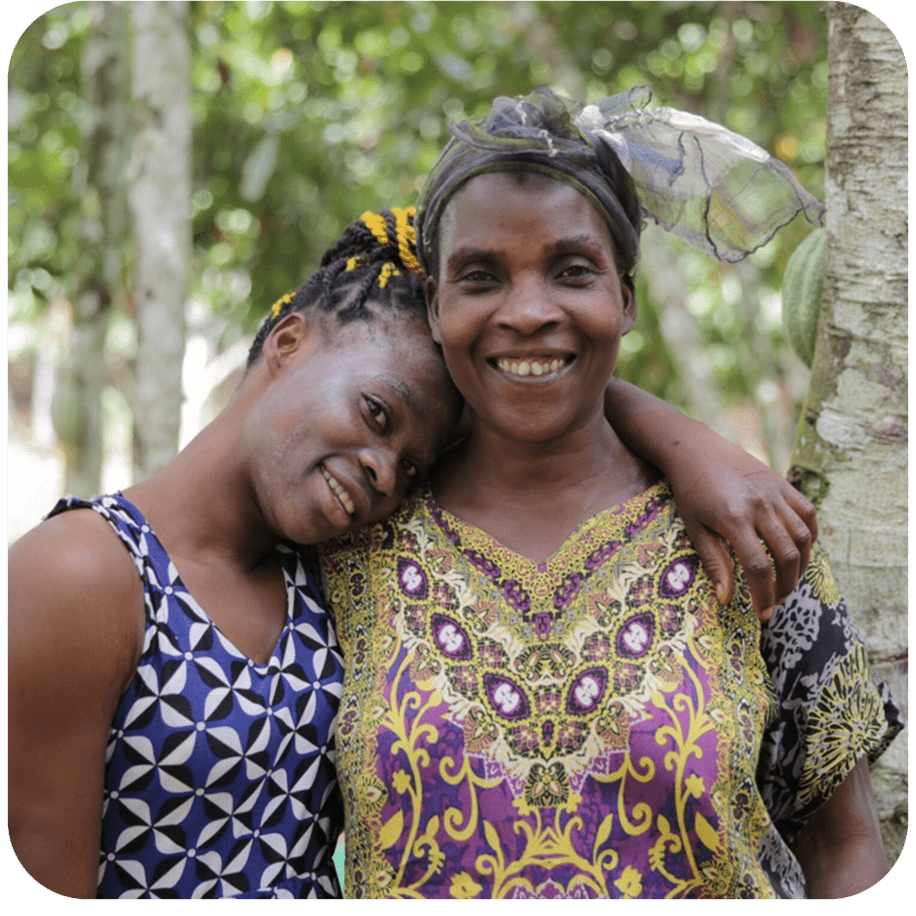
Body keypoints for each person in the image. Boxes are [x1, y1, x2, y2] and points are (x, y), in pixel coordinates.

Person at [318, 89, 903, 900]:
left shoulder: (752, 532)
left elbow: (846, 845)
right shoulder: (348, 547)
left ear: (625, 300)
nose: (529, 311)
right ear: (435, 306)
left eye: (572, 272)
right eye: (482, 277)